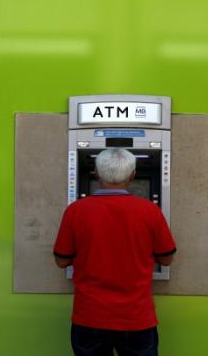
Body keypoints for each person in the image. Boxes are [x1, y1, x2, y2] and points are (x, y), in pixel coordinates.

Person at [54, 148, 176, 356]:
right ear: (133, 175)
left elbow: (62, 261)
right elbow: (166, 258)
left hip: (89, 316)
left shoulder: (76, 210)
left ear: (96, 173)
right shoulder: (149, 210)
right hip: (136, 317)